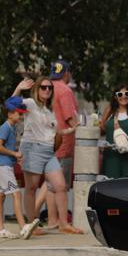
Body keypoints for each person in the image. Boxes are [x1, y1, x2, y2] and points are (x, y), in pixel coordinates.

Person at [12, 76, 83, 234]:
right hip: (32, 148)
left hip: (48, 151)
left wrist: (72, 129)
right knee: (31, 187)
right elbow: (11, 104)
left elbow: (55, 131)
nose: (47, 90)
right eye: (43, 87)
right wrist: (18, 88)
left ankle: (64, 224)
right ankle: (31, 225)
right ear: (36, 89)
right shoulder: (30, 103)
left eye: (50, 88)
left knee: (60, 186)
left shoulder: (48, 111)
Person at [0, 96, 39, 239]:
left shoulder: (11, 128)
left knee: (0, 196)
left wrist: (15, 157)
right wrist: (13, 153)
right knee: (16, 193)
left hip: (4, 165)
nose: (20, 116)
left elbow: (5, 148)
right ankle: (23, 226)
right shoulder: (5, 128)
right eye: (19, 114)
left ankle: (0, 229)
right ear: (10, 113)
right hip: (3, 166)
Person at [47, 59, 79, 229]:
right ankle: (61, 221)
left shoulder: (48, 88)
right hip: (64, 143)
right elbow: (69, 117)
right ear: (66, 73)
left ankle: (52, 219)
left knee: (50, 184)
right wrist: (81, 128)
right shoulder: (65, 90)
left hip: (49, 140)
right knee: (61, 185)